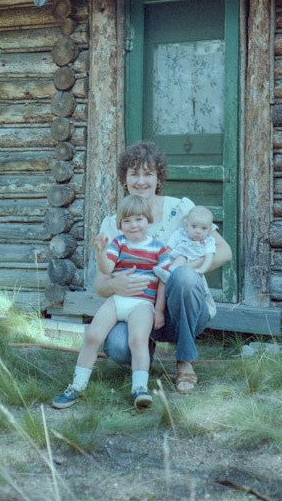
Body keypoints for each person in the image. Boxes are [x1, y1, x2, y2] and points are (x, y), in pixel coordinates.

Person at [95, 140, 232, 393]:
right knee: (116, 347)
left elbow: (224, 251)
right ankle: (143, 348)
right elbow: (100, 284)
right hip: (138, 309)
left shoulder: (181, 209)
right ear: (124, 179)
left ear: (158, 178)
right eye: (134, 174)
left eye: (148, 174)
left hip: (183, 307)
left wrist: (182, 267)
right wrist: (114, 283)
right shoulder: (114, 223)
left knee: (184, 277)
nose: (141, 181)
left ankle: (185, 362)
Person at [52, 195, 169, 410]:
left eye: (139, 219)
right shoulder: (119, 243)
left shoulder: (158, 249)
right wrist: (100, 252)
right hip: (117, 300)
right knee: (93, 335)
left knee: (138, 340)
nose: (133, 225)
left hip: (142, 304)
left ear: (149, 221)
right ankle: (76, 386)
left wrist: (159, 310)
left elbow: (162, 281)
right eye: (127, 221)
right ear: (120, 225)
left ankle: (140, 389)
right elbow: (107, 269)